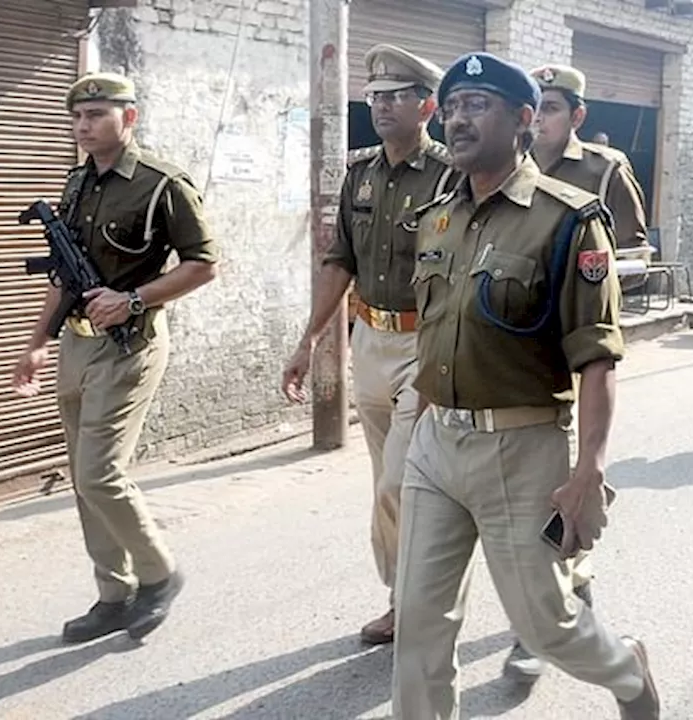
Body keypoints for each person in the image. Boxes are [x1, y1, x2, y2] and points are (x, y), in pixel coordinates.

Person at [391, 52, 659, 720]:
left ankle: (628, 671)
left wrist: (588, 471)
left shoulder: (567, 219)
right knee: (419, 622)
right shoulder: (435, 218)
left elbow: (597, 356)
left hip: (521, 446)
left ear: (524, 120)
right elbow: (437, 330)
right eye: (451, 107)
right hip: (435, 443)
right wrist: (416, 416)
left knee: (546, 626)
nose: (458, 119)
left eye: (476, 105)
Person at [11, 72, 218, 643]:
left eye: (98, 114)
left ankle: (160, 574)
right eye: (78, 116)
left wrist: (131, 298)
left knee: (101, 472)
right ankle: (114, 593)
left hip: (130, 345)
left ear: (129, 118)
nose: (85, 126)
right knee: (83, 479)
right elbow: (64, 272)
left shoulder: (162, 185)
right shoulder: (76, 183)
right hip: (77, 344)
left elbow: (202, 264)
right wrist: (36, 343)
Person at [281, 44, 457, 646]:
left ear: (427, 105)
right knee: (386, 480)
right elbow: (339, 261)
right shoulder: (361, 174)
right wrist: (310, 339)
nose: (380, 105)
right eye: (375, 96)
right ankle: (403, 597)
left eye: (396, 96)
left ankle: (422, 602)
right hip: (372, 342)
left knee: (400, 484)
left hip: (426, 345)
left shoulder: (452, 175)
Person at [487, 61, 652, 683]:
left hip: (577, 355)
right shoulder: (503, 168)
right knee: (527, 500)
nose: (545, 118)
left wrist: (585, 301)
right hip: (512, 353)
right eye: (540, 106)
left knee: (558, 490)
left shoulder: (603, 172)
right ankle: (566, 599)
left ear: (577, 116)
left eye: (555, 108)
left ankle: (547, 618)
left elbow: (634, 254)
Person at [529, 63, 649, 252]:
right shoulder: (512, 168)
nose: (537, 118)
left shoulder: (607, 171)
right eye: (533, 108)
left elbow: (634, 255)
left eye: (550, 108)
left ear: (577, 117)